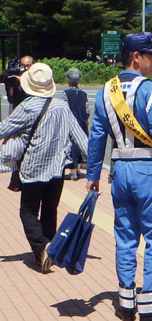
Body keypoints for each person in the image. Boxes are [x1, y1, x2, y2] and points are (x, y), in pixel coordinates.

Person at [86, 31, 152, 321]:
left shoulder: (106, 91)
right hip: (149, 171)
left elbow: (96, 137)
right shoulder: (150, 90)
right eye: (151, 55)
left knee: (125, 234)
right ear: (136, 58)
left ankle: (126, 301)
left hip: (119, 171)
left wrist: (93, 174)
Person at [0, 63, 88, 273]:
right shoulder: (61, 107)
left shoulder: (28, 106)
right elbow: (81, 138)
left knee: (28, 211)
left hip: (33, 168)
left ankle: (42, 247)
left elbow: (4, 128)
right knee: (50, 210)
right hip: (57, 169)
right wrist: (93, 169)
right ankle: (50, 251)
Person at [62, 67, 90, 181]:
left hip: (70, 122)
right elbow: (87, 110)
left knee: (71, 146)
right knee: (80, 145)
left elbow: (64, 108)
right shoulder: (83, 94)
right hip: (82, 122)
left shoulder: (66, 93)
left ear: (68, 80)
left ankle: (73, 172)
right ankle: (79, 170)